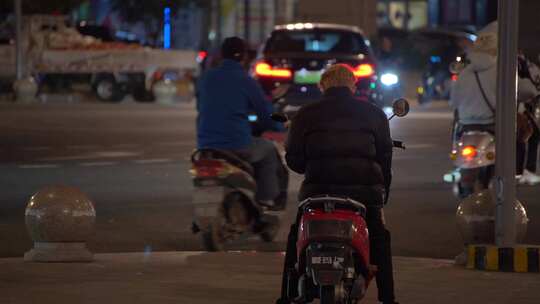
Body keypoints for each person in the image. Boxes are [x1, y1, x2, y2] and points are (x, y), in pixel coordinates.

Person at [276, 64, 399, 304]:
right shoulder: (374, 113)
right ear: (353, 85)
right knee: (379, 239)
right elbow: (385, 157)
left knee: (295, 235)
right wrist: (382, 190)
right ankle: (387, 297)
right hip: (363, 195)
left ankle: (286, 295)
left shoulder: (305, 114)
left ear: (323, 86)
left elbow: (296, 161)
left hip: (317, 192)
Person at [196, 37, 285, 207]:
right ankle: (266, 200)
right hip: (237, 145)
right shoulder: (246, 80)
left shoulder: (206, 78)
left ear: (222, 55)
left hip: (205, 145)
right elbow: (266, 114)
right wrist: (279, 126)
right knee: (268, 150)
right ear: (244, 57)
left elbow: (201, 107)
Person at [449, 21, 540, 184]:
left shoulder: (463, 73)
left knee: (456, 132)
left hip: (466, 125)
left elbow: (453, 102)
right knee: (522, 133)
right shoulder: (501, 71)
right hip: (492, 125)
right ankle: (516, 174)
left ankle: (459, 171)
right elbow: (527, 90)